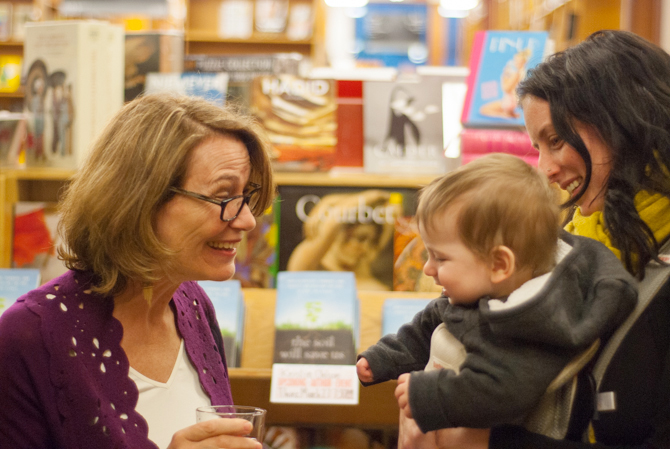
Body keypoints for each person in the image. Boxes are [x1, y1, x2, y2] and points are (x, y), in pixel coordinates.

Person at [398, 29, 670, 448]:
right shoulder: (568, 247)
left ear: (623, 122)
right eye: (537, 146)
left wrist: (485, 442)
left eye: (556, 141)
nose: (544, 169)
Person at [0, 93, 275, 449]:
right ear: (141, 200)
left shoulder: (193, 307)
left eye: (246, 196)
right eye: (224, 198)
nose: (247, 220)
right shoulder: (26, 336)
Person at [356, 153, 637, 434]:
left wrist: (432, 394)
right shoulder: (478, 291)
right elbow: (425, 327)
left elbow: (503, 391)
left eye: (440, 258)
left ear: (499, 265)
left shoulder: (533, 325)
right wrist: (384, 358)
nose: (428, 269)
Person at [286, 189, 401, 291]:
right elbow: (333, 223)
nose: (365, 248)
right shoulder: (311, 270)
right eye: (359, 238)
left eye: (372, 241)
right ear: (333, 236)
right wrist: (329, 202)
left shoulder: (371, 284)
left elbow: (395, 208)